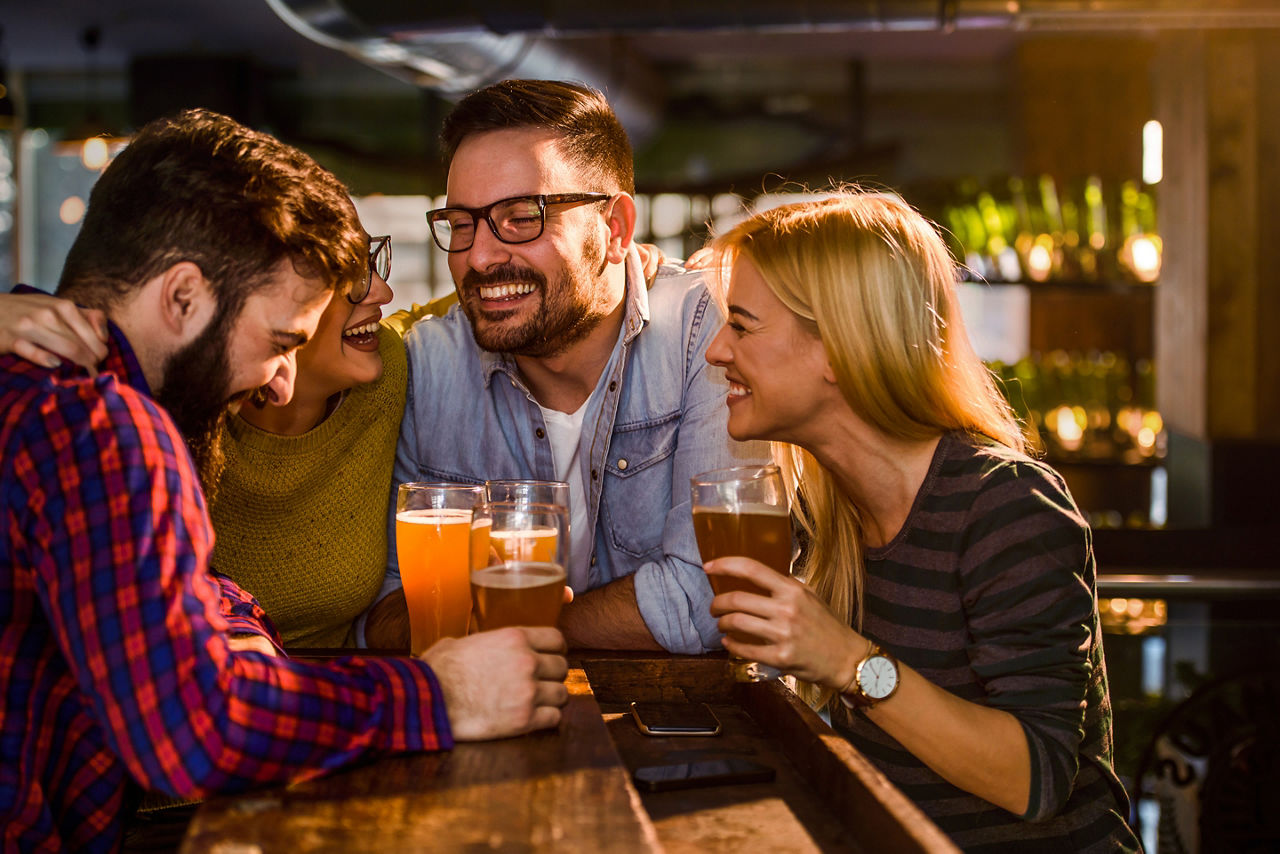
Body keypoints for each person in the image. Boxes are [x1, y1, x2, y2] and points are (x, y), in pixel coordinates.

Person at [0, 109, 568, 852]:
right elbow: (196, 730)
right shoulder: (107, 427)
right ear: (181, 297)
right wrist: (439, 696)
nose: (279, 384)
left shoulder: (31, 385)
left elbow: (158, 595)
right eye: (279, 343)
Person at [699, 191, 1140, 850]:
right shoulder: (826, 513)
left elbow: (1035, 779)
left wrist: (849, 662)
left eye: (742, 324)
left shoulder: (1007, 504)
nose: (715, 350)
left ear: (839, 350)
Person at [364, 79, 766, 654]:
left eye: (522, 217)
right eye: (460, 224)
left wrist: (512, 634)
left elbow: (709, 598)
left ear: (616, 230)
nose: (478, 256)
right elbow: (384, 610)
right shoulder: (427, 365)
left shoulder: (710, 333)